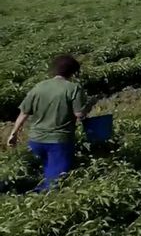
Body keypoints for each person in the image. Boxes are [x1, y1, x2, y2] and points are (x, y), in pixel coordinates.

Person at [5, 55, 88, 191]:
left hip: (36, 140)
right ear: (72, 72)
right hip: (59, 141)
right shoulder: (73, 88)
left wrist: (13, 134)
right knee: (55, 183)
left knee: (35, 175)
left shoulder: (39, 87)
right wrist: (88, 106)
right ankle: (42, 205)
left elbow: (24, 113)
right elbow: (79, 114)